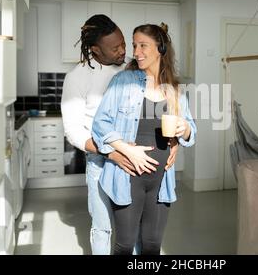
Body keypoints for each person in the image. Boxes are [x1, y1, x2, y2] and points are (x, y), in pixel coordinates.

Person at [61, 15, 179, 255]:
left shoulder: (131, 67)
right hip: (101, 163)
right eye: (115, 48)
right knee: (103, 228)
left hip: (135, 164)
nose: (124, 50)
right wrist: (113, 152)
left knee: (132, 231)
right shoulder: (77, 78)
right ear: (95, 49)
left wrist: (173, 139)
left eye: (124, 43)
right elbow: (73, 132)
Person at [92, 23, 197, 255]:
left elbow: (191, 132)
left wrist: (185, 128)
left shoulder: (175, 90)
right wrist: (127, 151)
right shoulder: (123, 81)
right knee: (125, 245)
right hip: (128, 177)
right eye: (134, 45)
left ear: (160, 48)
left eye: (143, 46)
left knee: (152, 246)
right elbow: (100, 124)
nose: (136, 52)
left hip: (162, 180)